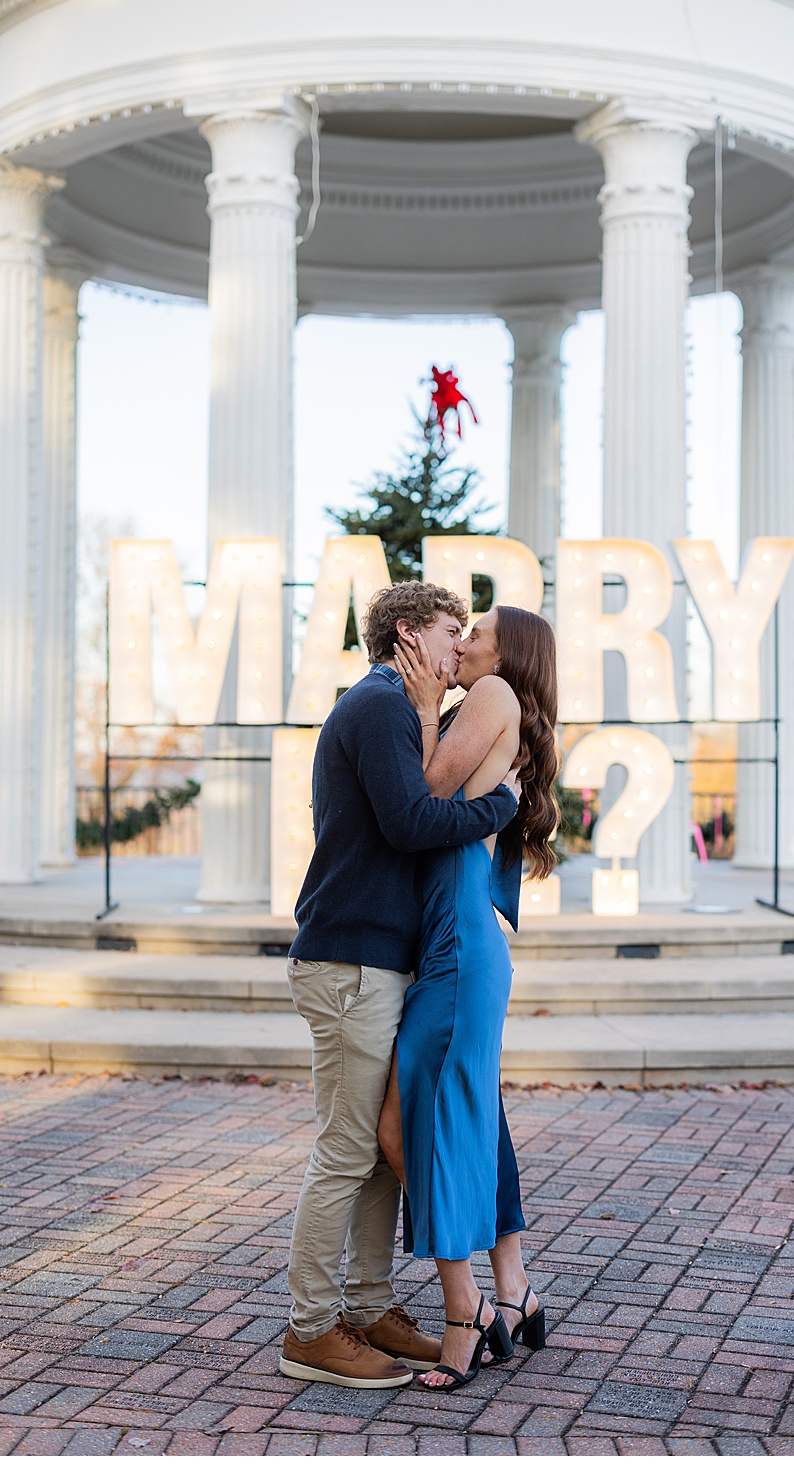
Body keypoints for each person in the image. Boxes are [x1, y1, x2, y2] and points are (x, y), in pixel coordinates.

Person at [280, 583, 519, 1389]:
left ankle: (373, 1307)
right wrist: (500, 806)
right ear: (410, 636)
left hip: (374, 961)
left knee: (381, 1154)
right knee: (348, 1149)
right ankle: (312, 1329)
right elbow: (411, 822)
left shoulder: (395, 707)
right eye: (454, 631)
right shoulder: (380, 706)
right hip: (349, 962)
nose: (462, 648)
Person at [376, 606, 562, 1390]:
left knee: (407, 1126)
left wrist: (422, 712)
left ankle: (466, 1315)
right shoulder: (492, 704)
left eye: (476, 630)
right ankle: (511, 1292)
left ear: (503, 651)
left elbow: (426, 791)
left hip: (457, 944)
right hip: (462, 940)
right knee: (471, 1116)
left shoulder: (490, 698)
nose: (463, 640)